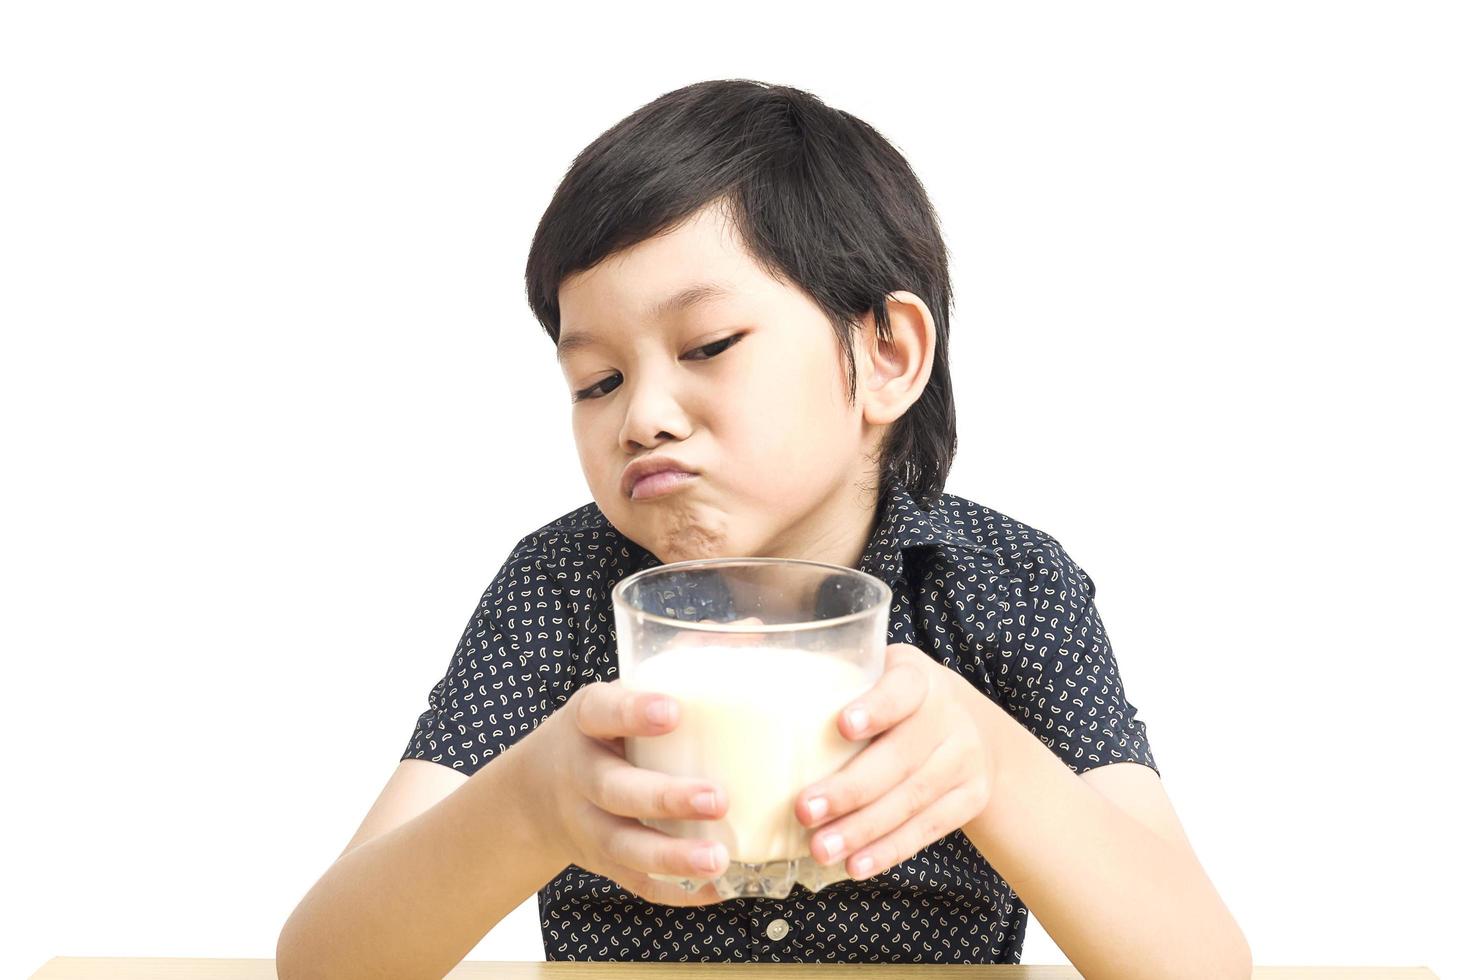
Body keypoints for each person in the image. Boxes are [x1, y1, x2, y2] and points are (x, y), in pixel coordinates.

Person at [276, 79, 1251, 979]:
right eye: (597, 381)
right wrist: (530, 806)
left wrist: (990, 761)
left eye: (708, 345)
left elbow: (1201, 962)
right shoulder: (562, 589)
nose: (641, 415)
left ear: (887, 353)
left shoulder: (1004, 584)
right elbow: (325, 958)